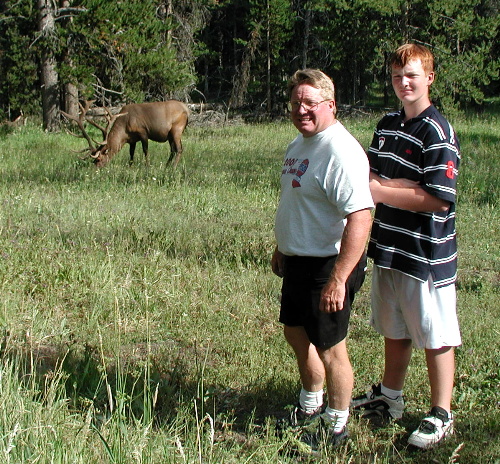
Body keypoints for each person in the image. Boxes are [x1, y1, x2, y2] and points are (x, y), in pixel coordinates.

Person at [351, 44, 461, 450]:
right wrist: (391, 186)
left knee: (434, 334)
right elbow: (369, 174)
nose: (404, 83)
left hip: (425, 254)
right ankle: (389, 397)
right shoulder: (387, 124)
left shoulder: (438, 132)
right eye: (397, 76)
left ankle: (441, 412)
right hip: (389, 246)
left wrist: (384, 191)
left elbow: (437, 198)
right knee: (394, 327)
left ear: (429, 78)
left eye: (412, 75)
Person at [272, 69, 373, 448]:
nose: (301, 110)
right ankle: (310, 403)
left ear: (330, 105)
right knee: (296, 333)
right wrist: (282, 246)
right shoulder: (300, 144)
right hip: (299, 260)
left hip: (329, 264)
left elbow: (360, 217)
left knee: (331, 348)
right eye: (296, 102)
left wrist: (339, 279)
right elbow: (297, 201)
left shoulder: (340, 151)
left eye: (310, 103)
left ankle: (336, 426)